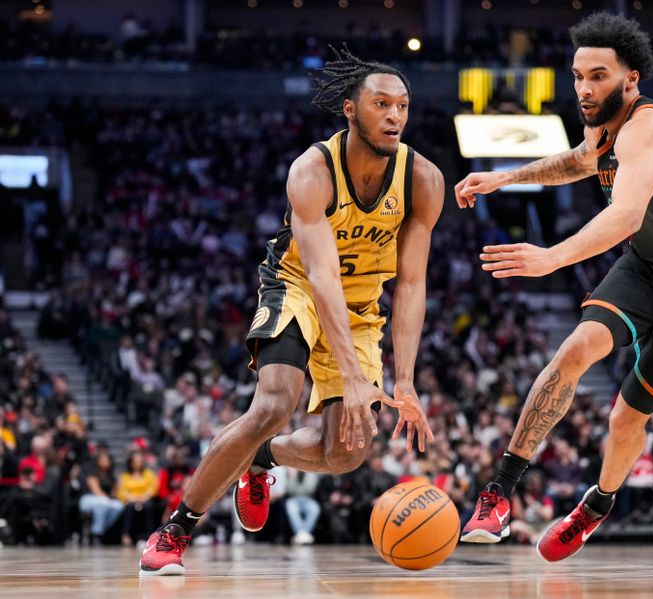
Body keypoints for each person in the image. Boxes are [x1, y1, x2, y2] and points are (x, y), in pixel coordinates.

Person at [140, 46, 444, 576]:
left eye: (402, 106)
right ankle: (176, 530)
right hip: (298, 286)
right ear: (351, 109)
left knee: (346, 452)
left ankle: (262, 459)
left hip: (362, 305)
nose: (394, 116)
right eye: (381, 104)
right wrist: (350, 375)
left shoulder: (424, 180)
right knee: (273, 405)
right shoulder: (313, 170)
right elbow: (323, 276)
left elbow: (412, 282)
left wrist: (407, 381)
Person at [456, 12, 653, 562]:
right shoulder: (603, 125)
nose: (584, 88)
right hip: (648, 266)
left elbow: (627, 214)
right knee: (574, 350)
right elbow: (578, 163)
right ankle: (498, 495)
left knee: (624, 417)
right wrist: (505, 176)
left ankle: (597, 503)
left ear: (631, 78)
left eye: (598, 76)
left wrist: (551, 258)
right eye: (577, 76)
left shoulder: (649, 127)